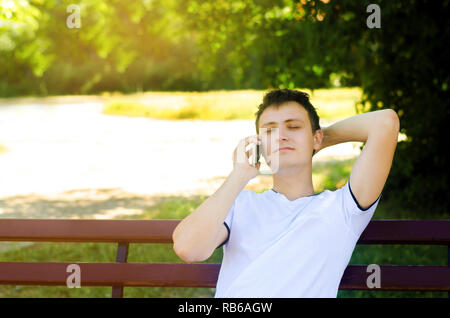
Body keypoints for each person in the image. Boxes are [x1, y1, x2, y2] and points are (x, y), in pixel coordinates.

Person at [172, 88, 400, 298]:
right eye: (270, 131)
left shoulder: (343, 209)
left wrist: (315, 139)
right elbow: (187, 248)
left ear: (316, 137)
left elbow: (385, 122)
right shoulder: (240, 203)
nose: (281, 136)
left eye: (293, 126)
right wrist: (239, 175)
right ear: (260, 144)